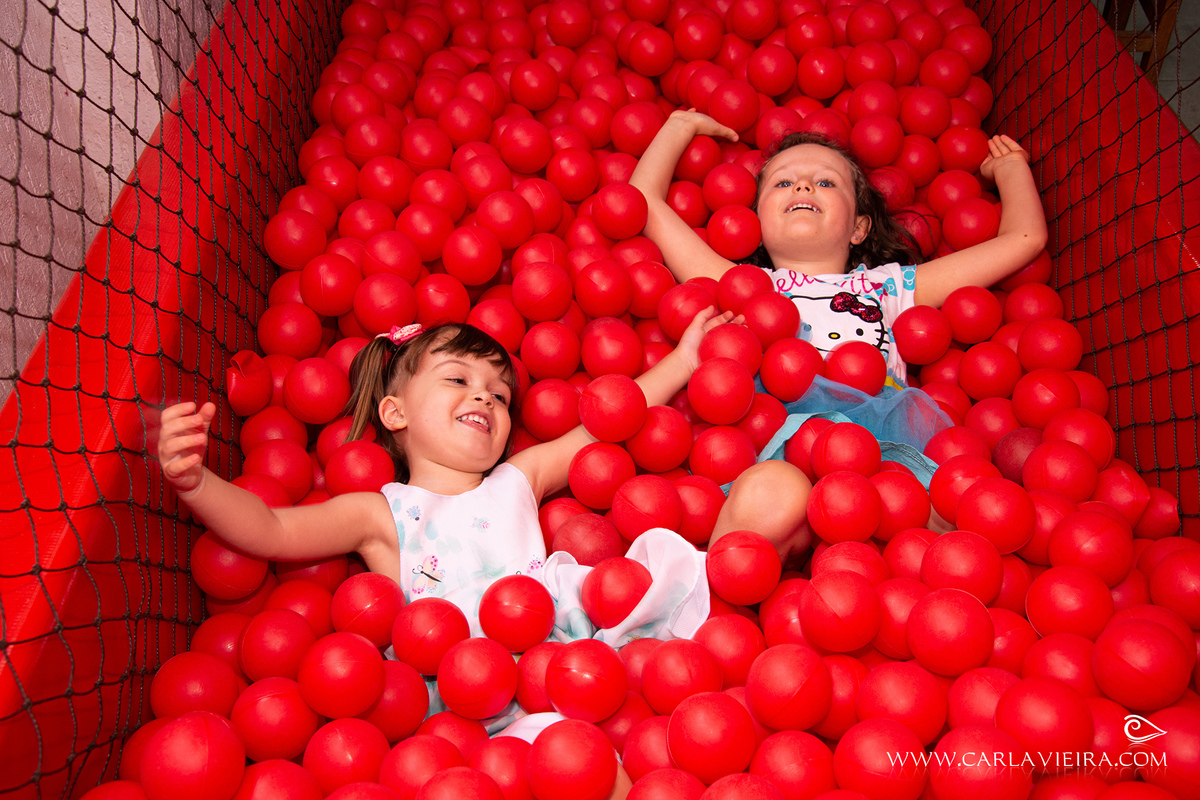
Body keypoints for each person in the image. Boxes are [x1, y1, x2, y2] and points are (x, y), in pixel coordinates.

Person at [629, 109, 1049, 562]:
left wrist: (1009, 170)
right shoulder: (742, 284)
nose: (804, 186)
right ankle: (711, 602)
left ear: (859, 228)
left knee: (957, 515)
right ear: (756, 221)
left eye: (826, 182)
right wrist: (677, 128)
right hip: (774, 440)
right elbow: (642, 202)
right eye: (783, 183)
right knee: (769, 493)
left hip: (878, 450)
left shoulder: (892, 286)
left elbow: (1022, 240)